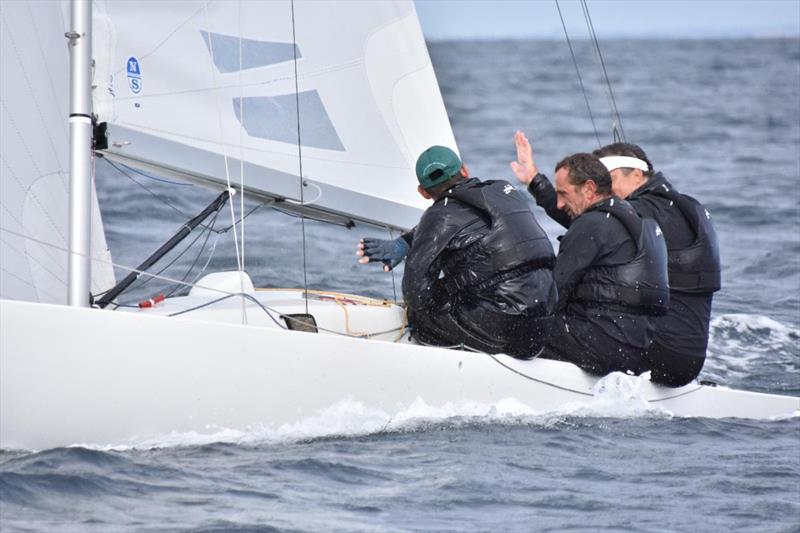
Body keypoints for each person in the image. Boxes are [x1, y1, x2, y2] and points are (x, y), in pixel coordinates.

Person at [358, 145, 558, 358]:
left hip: (504, 334)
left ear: (423, 192)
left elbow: (416, 294)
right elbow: (464, 216)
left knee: (419, 314)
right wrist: (408, 242)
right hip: (543, 327)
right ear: (464, 170)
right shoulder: (504, 189)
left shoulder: (437, 216)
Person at [510, 135, 669, 375]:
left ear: (589, 189)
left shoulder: (591, 225)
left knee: (509, 324)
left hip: (599, 347)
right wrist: (533, 179)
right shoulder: (632, 216)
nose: (560, 204)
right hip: (635, 349)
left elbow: (553, 294)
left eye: (563, 194)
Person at [590, 143, 721, 386]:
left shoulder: (644, 211)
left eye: (609, 179)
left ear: (637, 175)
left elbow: (591, 222)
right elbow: (591, 224)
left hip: (655, 357)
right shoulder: (684, 207)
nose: (601, 190)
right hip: (686, 360)